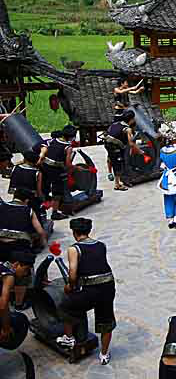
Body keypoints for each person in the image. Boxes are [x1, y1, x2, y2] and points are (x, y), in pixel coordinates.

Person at [57, 218, 116, 365]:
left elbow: (72, 274)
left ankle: (69, 337)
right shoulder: (101, 245)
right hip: (108, 287)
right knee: (106, 320)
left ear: (74, 232)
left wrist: (70, 286)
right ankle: (104, 354)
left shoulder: (74, 249)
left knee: (65, 305)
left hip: (90, 290)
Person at [0, 188, 47, 310]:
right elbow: (40, 231)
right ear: (26, 200)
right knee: (23, 275)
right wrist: (43, 243)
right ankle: (19, 303)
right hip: (19, 249)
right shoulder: (28, 210)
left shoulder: (1, 206)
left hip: (1, 248)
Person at [42, 124, 79, 219]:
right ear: (72, 137)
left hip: (44, 166)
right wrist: (77, 168)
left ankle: (43, 205)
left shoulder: (53, 140)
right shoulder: (68, 147)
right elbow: (68, 164)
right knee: (57, 192)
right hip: (55, 170)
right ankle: (55, 213)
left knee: (44, 187)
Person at [0, 250, 35, 344]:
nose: (25, 274)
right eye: (25, 269)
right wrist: (6, 329)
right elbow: (3, 306)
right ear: (16, 264)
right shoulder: (9, 277)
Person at [103, 110, 140, 191]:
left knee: (110, 158)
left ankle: (110, 173)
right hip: (115, 147)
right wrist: (140, 151)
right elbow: (131, 143)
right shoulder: (127, 129)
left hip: (107, 144)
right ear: (131, 119)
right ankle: (117, 184)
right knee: (118, 164)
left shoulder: (116, 124)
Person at [9, 150, 44, 219]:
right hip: (30, 198)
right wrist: (42, 198)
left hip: (17, 195)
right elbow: (39, 190)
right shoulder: (37, 172)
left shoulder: (15, 168)